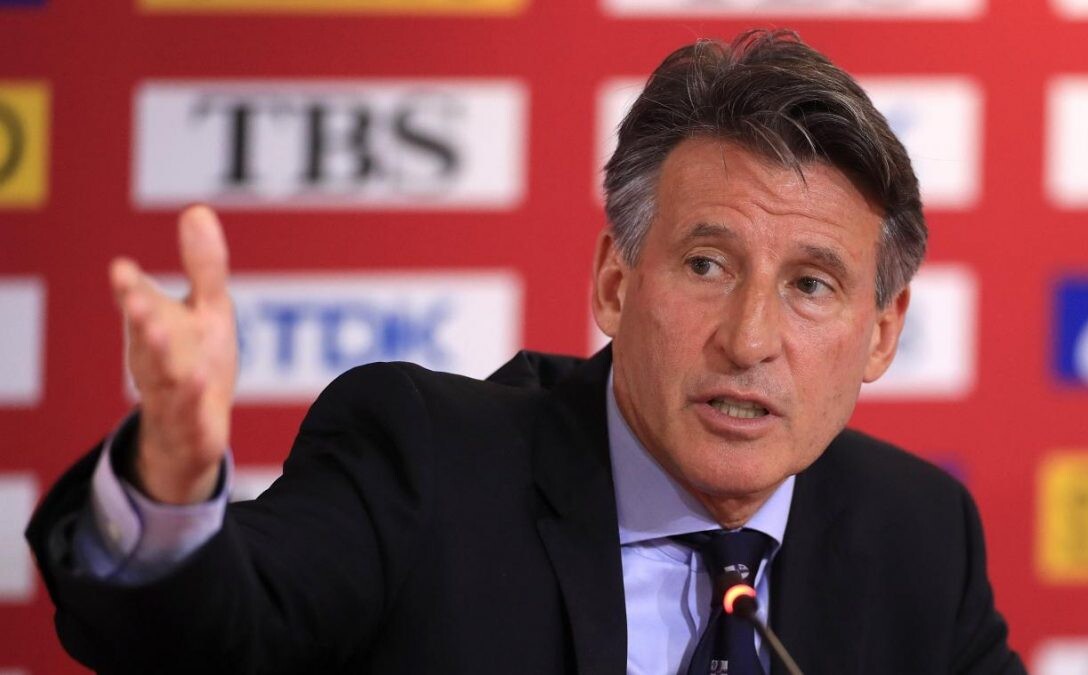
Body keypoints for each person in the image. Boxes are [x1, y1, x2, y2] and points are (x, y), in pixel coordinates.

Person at [26, 30, 1025, 674]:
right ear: (615, 283)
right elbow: (205, 635)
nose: (749, 339)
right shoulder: (427, 465)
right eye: (706, 264)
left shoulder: (919, 534)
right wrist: (168, 489)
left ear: (881, 334)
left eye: (811, 286)